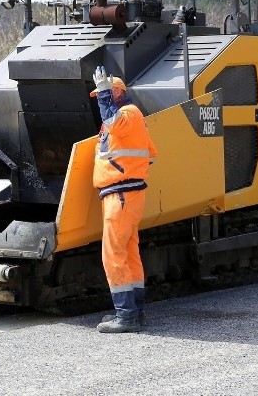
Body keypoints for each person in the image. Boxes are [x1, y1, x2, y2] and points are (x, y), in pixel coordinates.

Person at [90, 65, 157, 333]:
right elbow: (151, 153)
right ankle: (135, 311)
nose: (101, 99)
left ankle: (126, 316)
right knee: (129, 253)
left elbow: (114, 123)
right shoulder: (133, 119)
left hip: (121, 194)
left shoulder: (127, 115)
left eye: (105, 94)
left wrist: (121, 171)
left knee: (113, 255)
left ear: (117, 91)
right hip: (128, 193)